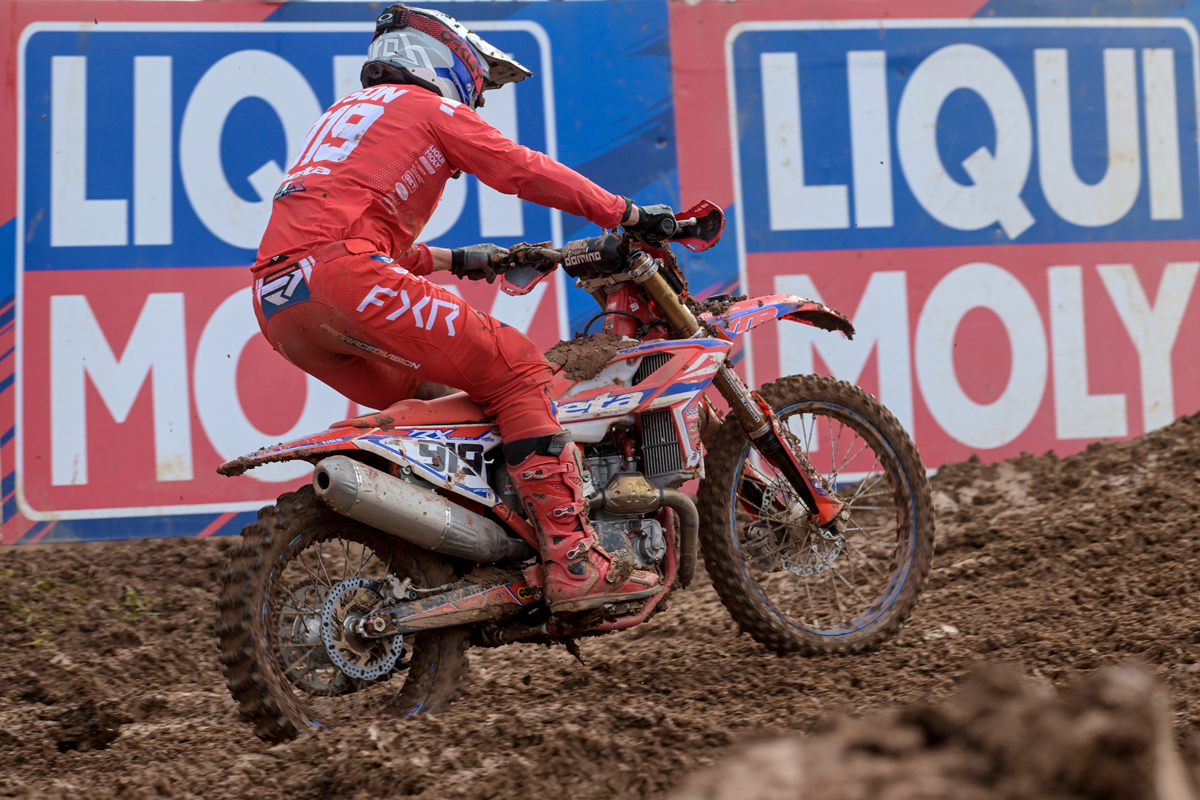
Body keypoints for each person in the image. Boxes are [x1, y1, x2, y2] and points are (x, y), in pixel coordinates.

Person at [252, 4, 675, 613]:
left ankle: (456, 545)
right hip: (343, 278)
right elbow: (521, 169)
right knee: (518, 371)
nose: (474, 103)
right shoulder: (429, 107)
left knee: (439, 397)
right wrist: (625, 213)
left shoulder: (344, 115)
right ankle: (574, 559)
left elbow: (340, 236)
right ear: (444, 63)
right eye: (475, 89)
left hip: (279, 303)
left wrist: (462, 259)